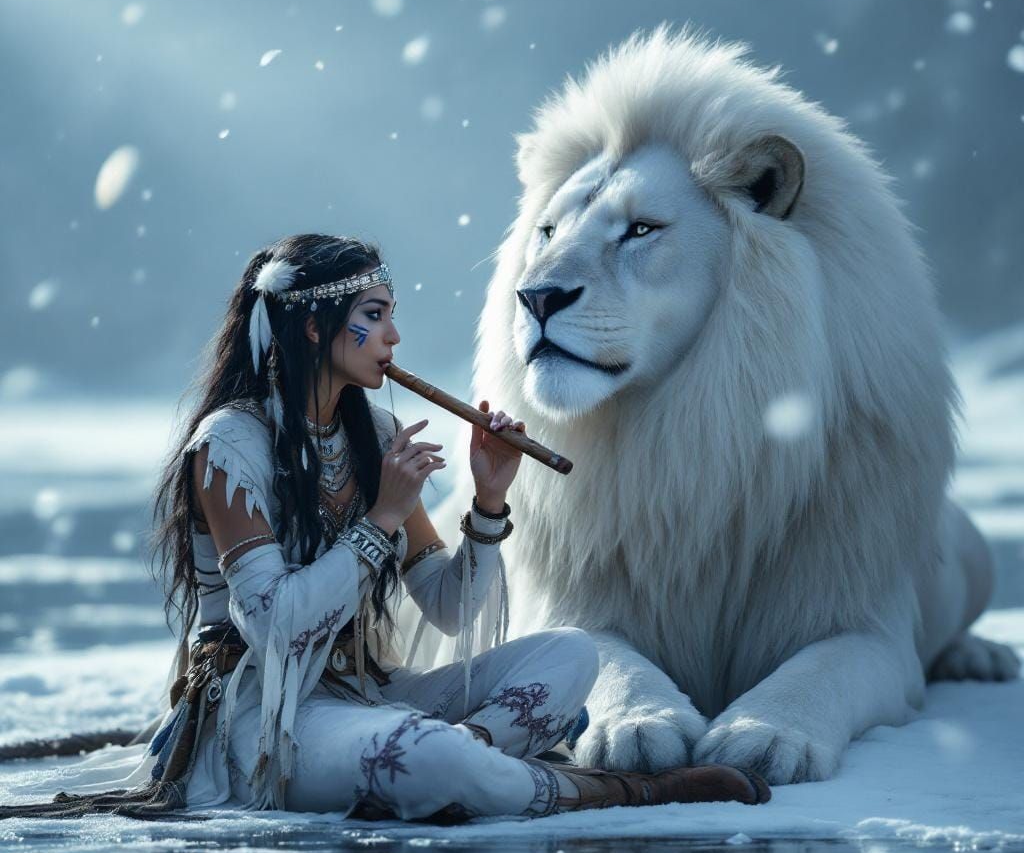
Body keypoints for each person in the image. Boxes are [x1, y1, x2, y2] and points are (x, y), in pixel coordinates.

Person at [0, 234, 768, 821]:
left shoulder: (371, 427)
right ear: (311, 330)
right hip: (265, 723)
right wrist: (383, 517)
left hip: (365, 695)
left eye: (391, 315)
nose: (395, 338)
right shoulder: (230, 446)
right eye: (374, 317)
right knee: (429, 756)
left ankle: (456, 769)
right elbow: (272, 626)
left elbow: (450, 607)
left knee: (571, 655)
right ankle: (622, 792)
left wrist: (490, 503)